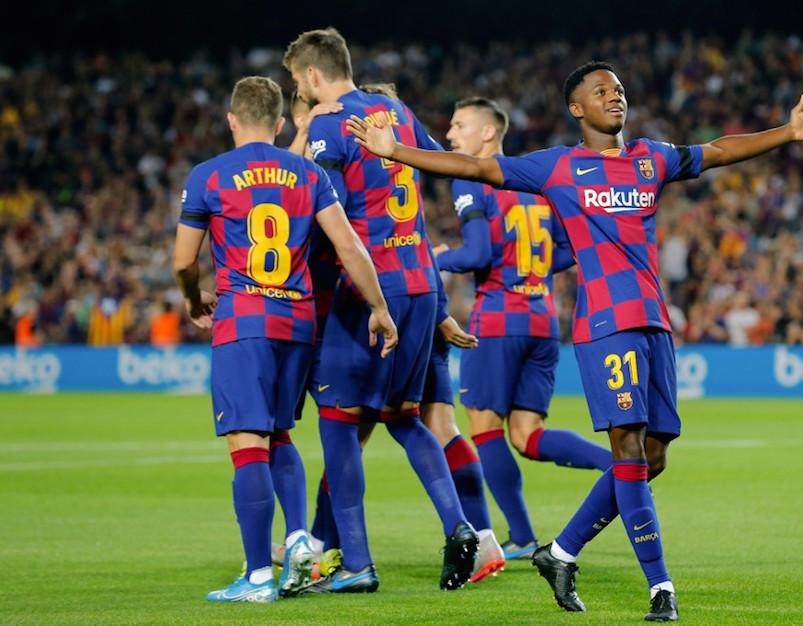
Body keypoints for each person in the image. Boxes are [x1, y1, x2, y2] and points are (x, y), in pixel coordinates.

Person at [347, 60, 803, 620]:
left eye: (619, 89)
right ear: (576, 108)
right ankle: (660, 588)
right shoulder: (558, 167)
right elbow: (474, 166)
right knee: (627, 451)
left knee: (654, 458)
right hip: (605, 325)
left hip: (654, 320)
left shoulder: (651, 158)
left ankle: (559, 552)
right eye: (601, 91)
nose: (615, 96)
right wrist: (397, 152)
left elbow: (720, 150)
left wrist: (789, 131)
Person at [174, 75, 396, 603]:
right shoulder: (309, 172)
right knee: (280, 433)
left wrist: (191, 297)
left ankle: (256, 577)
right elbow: (347, 245)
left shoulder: (208, 175)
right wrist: (380, 307)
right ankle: (299, 539)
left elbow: (184, 260)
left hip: (243, 320)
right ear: (278, 123)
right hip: (298, 324)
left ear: (231, 119)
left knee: (247, 441)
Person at [283, 28, 479, 592]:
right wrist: (437, 300)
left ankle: (357, 565)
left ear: (313, 75)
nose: (301, 89)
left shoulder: (327, 122)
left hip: (369, 289)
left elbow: (329, 219)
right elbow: (432, 177)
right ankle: (458, 526)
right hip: (419, 281)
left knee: (339, 424)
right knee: (402, 416)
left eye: (299, 80)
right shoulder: (393, 110)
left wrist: (369, 299)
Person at [438, 97, 611, 562]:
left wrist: (436, 259)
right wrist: (530, 273)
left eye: (459, 126)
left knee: (484, 427)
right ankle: (617, 466)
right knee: (527, 435)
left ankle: (518, 535)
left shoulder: (474, 180)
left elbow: (474, 255)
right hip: (541, 319)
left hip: (497, 320)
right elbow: (573, 248)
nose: (451, 136)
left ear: (488, 133)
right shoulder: (536, 185)